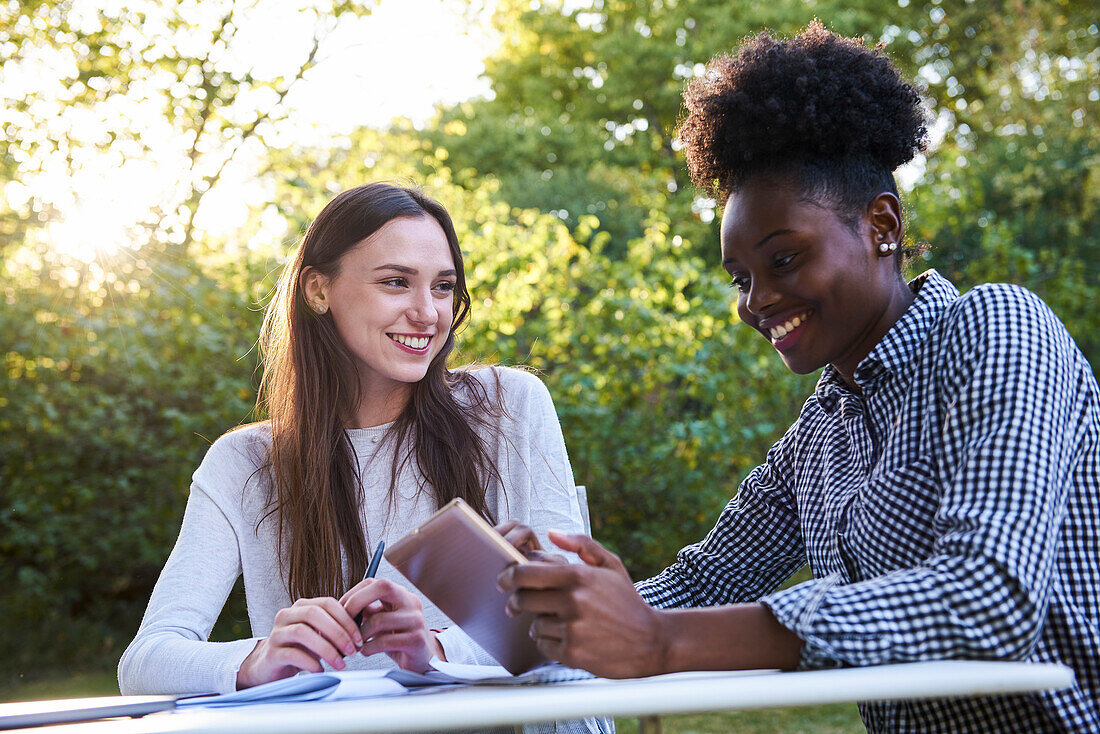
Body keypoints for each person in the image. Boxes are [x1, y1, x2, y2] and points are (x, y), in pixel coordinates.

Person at [496, 22, 1099, 732]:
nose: (755, 302)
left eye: (783, 260)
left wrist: (661, 642)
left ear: (882, 226)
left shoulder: (998, 330)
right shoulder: (823, 431)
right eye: (740, 278)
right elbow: (703, 583)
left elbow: (989, 599)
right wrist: (547, 604)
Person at [118, 182, 606, 733]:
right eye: (396, 282)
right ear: (318, 290)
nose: (427, 313)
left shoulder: (508, 405)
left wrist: (440, 650)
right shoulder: (244, 462)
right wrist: (257, 660)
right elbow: (146, 661)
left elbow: (573, 620)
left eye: (443, 287)